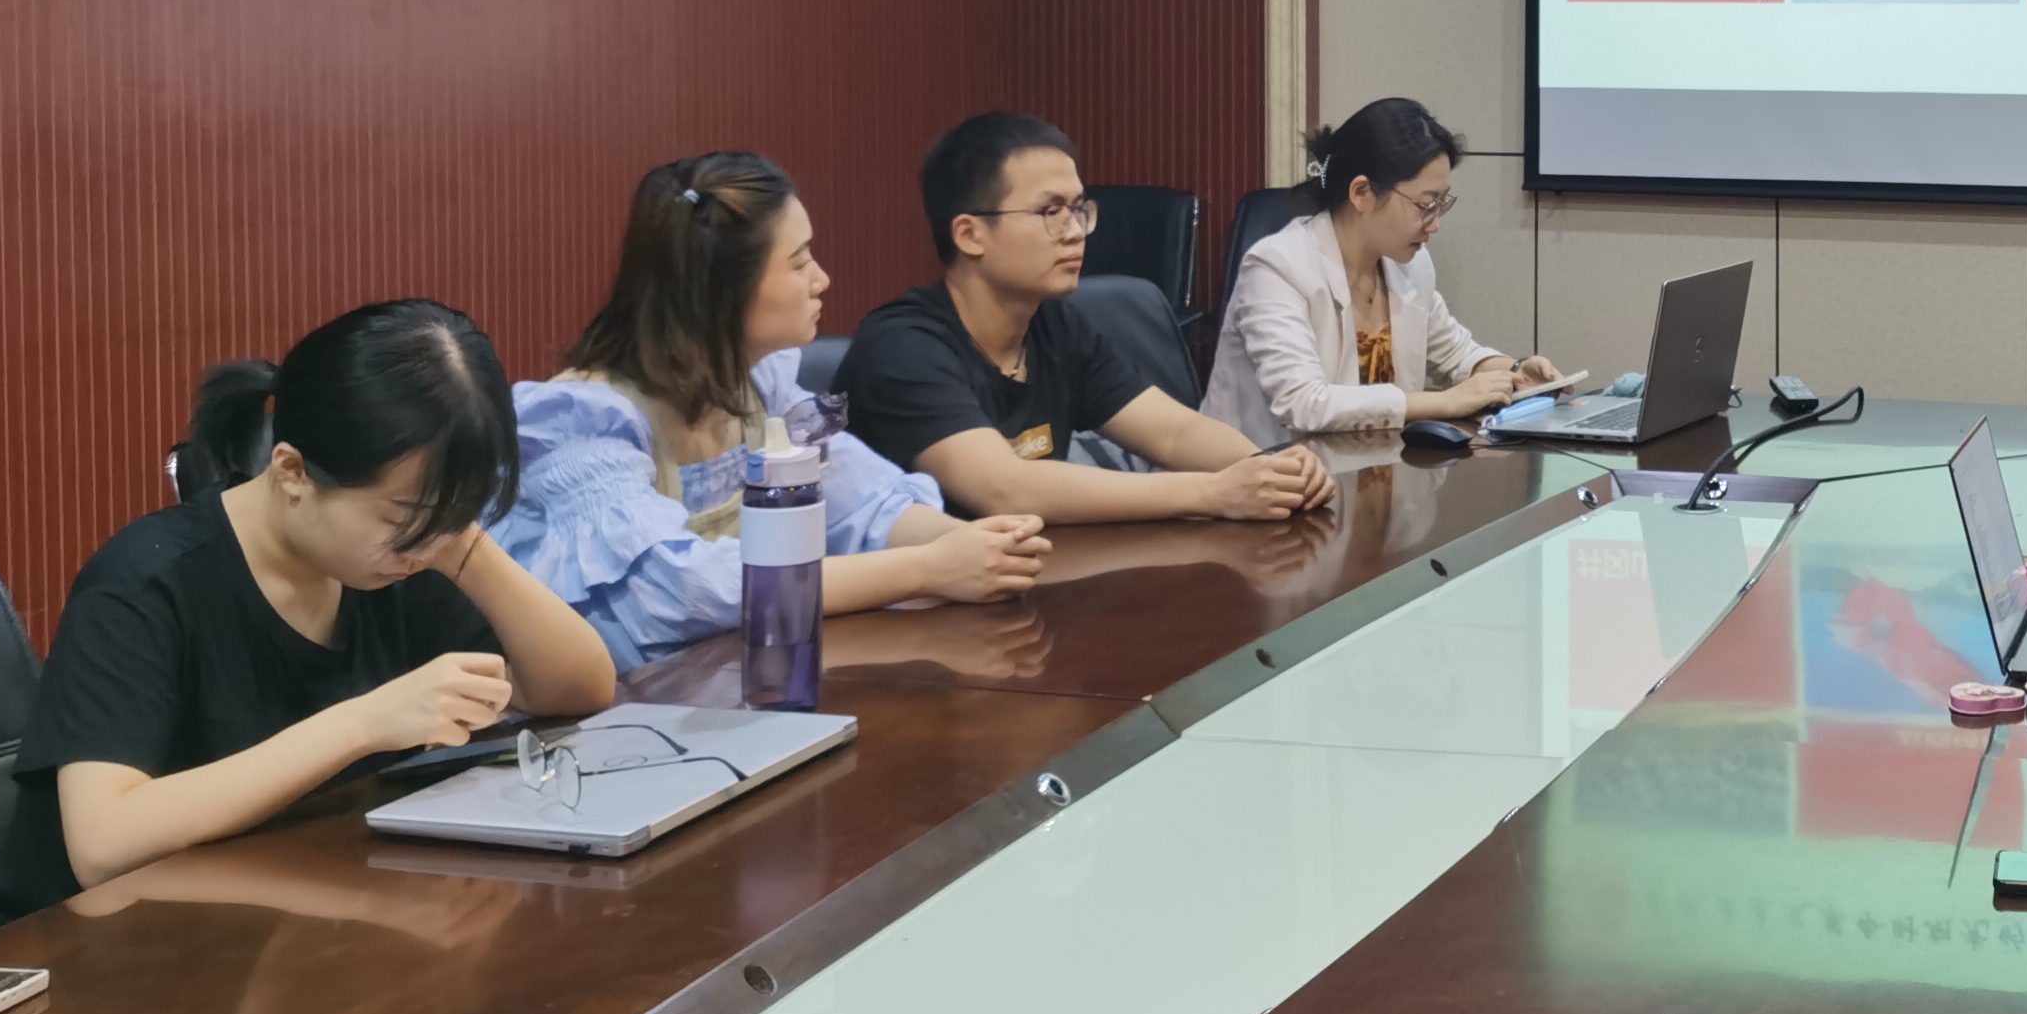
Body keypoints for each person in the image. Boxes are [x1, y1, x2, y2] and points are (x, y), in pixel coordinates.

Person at [9, 303, 618, 908]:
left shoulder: (403, 557)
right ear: (293, 471)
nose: (423, 546)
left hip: (302, 906)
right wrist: (364, 724)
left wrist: (460, 541)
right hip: (109, 941)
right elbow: (103, 845)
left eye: (453, 516)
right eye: (403, 518)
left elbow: (578, 688)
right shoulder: (145, 583)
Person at [500, 155, 1052, 668]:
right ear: (725, 287)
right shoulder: (584, 428)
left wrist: (983, 545)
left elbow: (862, 507)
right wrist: (927, 569)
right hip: (627, 715)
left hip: (744, 683)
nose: (821, 279)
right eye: (800, 261)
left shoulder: (760, 387)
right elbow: (693, 592)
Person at [838, 113, 1332, 523]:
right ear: (969, 234)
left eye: (1078, 209)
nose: (1075, 231)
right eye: (1049, 212)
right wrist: (1214, 493)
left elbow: (1172, 432)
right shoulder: (903, 348)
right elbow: (1005, 489)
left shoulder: (1055, 325)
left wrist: (1270, 469)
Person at [1201, 99, 1565, 446]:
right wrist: (1445, 402)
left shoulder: (1409, 263)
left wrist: (1513, 371)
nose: (1434, 224)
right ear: (1362, 192)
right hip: (1260, 475)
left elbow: (1455, 354)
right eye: (1425, 205)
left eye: (1441, 204)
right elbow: (1304, 403)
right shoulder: (1276, 267)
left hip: (1368, 469)